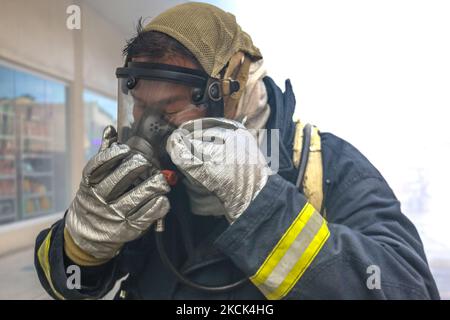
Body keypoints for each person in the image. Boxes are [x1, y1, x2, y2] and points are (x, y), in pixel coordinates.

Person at [34, 2, 439, 300]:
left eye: (171, 108)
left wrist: (264, 210)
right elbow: (65, 286)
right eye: (140, 106)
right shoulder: (147, 171)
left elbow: (411, 290)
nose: (146, 128)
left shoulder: (321, 163)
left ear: (235, 93)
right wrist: (82, 243)